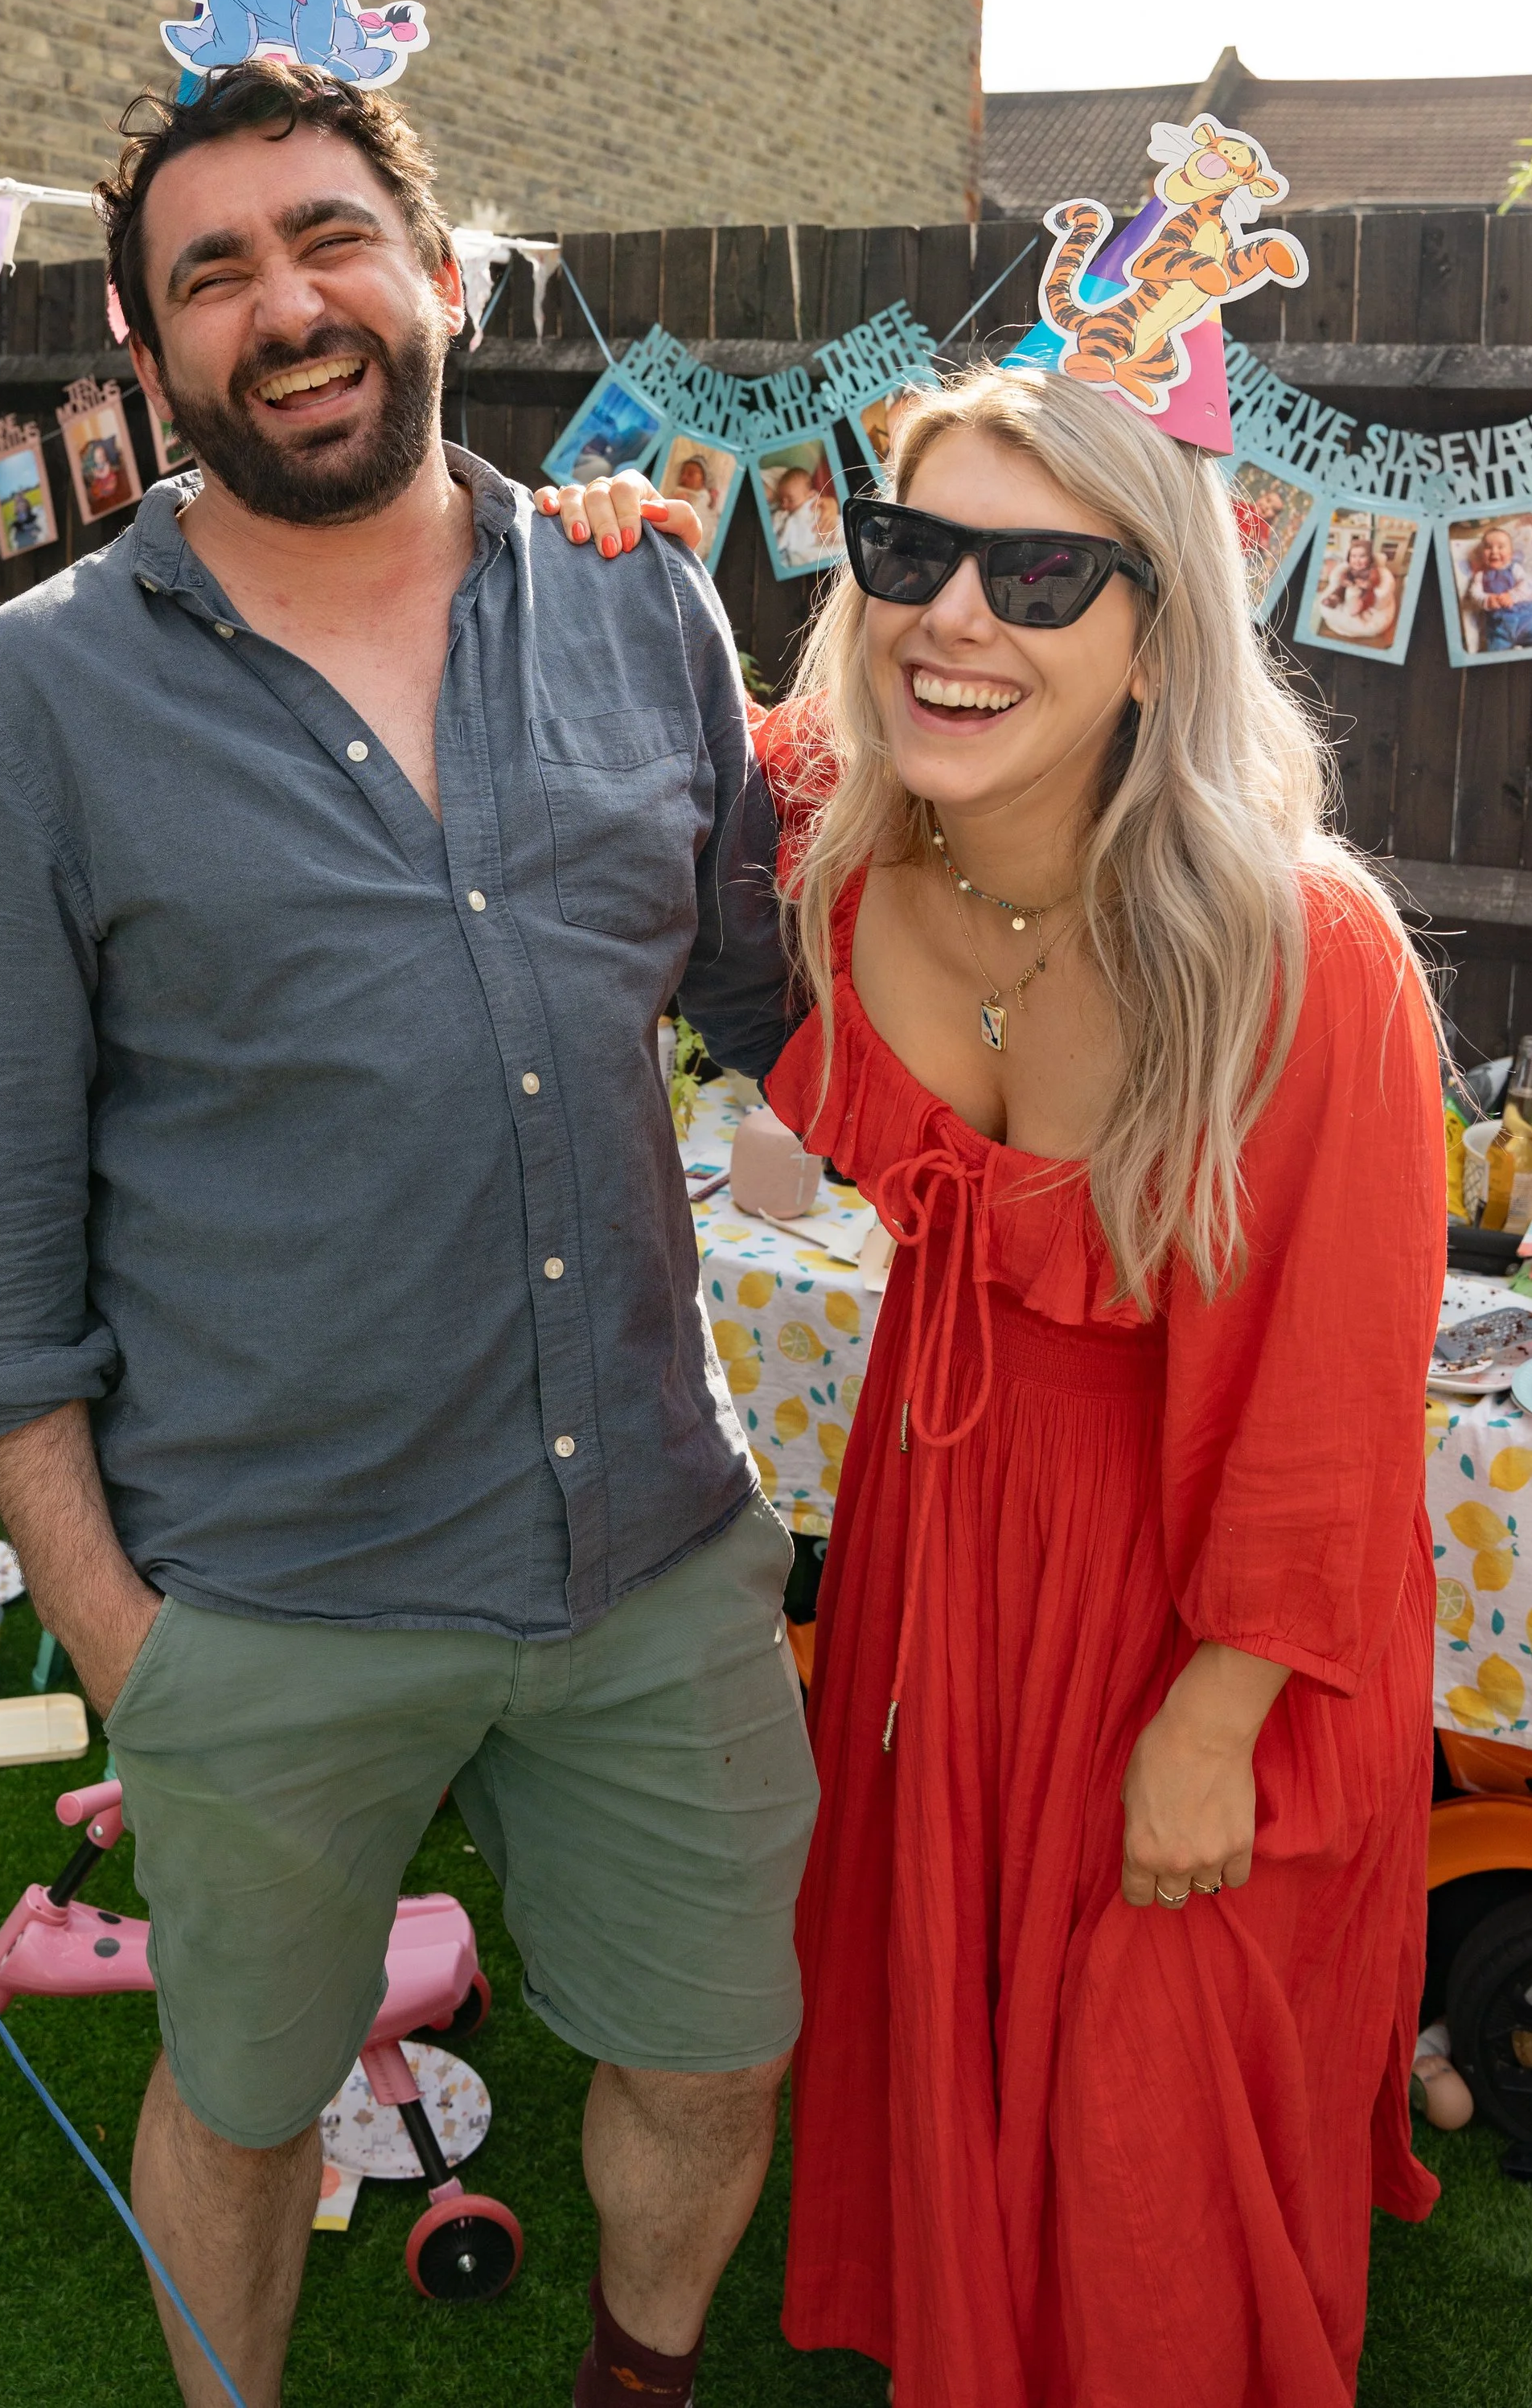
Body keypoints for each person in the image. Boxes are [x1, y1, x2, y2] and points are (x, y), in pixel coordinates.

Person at [0, 56, 815, 2408]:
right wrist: (121, 1636)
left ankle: (637, 2377)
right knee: (244, 2090)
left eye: (325, 240)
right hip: (264, 1594)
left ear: (439, 272)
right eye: (213, 274)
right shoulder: (28, 707)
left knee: (712, 2057)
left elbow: (769, 1001)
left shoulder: (644, 605)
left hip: (653, 1544)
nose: (282, 306)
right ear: (142, 347)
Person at [565, 365, 1447, 2406]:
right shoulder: (848, 868)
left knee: (1150, 2092)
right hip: (946, 1546)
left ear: (1159, 627)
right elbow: (682, 720)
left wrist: (1216, 1717)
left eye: (1043, 570)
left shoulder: (1303, 950)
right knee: (975, 2009)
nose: (958, 615)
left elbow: (1331, 1402)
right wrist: (615, 544)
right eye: (910, 551)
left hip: (1207, 1587)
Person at [1460, 521, 1532, 651]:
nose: (1494, 551)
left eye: (1501, 547)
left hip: (1525, 622)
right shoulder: (1480, 575)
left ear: (1511, 553)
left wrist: (1512, 596)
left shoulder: (1515, 569)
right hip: (1499, 629)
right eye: (1488, 547)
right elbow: (1475, 594)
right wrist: (1486, 600)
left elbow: (1528, 585)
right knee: (1496, 655)